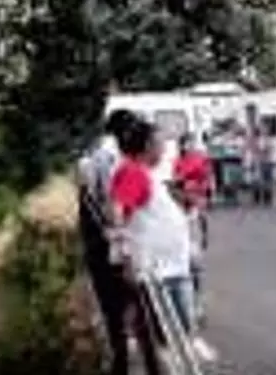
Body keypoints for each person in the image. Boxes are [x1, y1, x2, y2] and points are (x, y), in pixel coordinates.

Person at [110, 120, 217, 362]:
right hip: (157, 270)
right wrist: (124, 253)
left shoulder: (146, 173)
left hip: (171, 265)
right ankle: (173, 357)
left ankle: (187, 346)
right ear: (147, 146)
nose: (164, 149)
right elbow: (118, 210)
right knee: (165, 331)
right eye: (160, 143)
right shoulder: (133, 172)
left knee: (182, 321)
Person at [77, 109, 162, 375]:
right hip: (113, 243)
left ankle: (123, 361)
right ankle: (141, 363)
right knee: (136, 306)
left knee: (115, 309)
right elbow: (113, 206)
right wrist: (121, 240)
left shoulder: (92, 157)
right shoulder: (113, 159)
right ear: (125, 131)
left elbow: (91, 200)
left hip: (100, 241)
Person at [172, 132, 212, 324]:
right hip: (184, 207)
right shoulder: (178, 161)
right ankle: (190, 307)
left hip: (196, 202)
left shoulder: (200, 159)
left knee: (195, 267)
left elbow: (206, 180)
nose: (188, 146)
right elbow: (175, 181)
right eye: (185, 143)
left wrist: (199, 193)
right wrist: (182, 185)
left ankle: (198, 306)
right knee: (188, 267)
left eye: (191, 143)